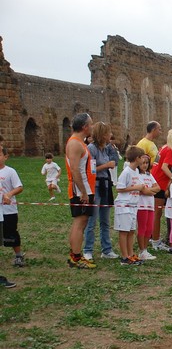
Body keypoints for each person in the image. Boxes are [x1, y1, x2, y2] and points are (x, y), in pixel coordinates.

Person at [83, 122, 119, 262]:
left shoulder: (106, 149)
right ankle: (88, 250)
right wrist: (106, 165)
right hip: (96, 186)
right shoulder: (91, 149)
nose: (110, 135)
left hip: (105, 185)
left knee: (105, 220)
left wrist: (112, 155)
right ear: (102, 134)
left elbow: (115, 161)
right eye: (108, 133)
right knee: (92, 220)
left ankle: (107, 249)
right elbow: (90, 171)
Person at [65, 113, 97, 269]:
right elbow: (74, 170)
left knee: (81, 222)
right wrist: (83, 192)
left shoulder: (80, 142)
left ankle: (74, 255)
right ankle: (76, 258)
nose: (92, 126)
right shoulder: (75, 144)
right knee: (80, 222)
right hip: (81, 190)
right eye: (91, 124)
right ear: (85, 127)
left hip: (85, 189)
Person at [150, 128, 172, 250]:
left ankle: (154, 238)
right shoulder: (170, 150)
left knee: (156, 214)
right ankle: (155, 241)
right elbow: (164, 167)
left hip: (156, 183)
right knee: (157, 214)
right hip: (159, 185)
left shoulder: (164, 147)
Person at [114, 146, 145, 266]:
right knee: (124, 231)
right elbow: (119, 188)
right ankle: (124, 256)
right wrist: (135, 188)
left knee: (132, 230)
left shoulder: (136, 171)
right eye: (142, 157)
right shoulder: (126, 171)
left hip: (133, 205)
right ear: (137, 158)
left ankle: (131, 254)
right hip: (124, 205)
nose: (143, 160)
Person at [0, 147, 25, 267]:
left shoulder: (10, 171)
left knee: (11, 233)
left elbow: (19, 187)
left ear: (5, 157)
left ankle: (18, 255)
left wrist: (9, 194)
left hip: (8, 211)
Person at [136, 155, 160, 261]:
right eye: (143, 163)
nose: (145, 165)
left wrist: (149, 190)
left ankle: (145, 249)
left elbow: (158, 188)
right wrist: (150, 191)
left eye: (146, 163)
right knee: (142, 228)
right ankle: (141, 250)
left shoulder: (149, 175)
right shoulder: (137, 175)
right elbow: (143, 191)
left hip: (150, 205)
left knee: (149, 228)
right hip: (141, 205)